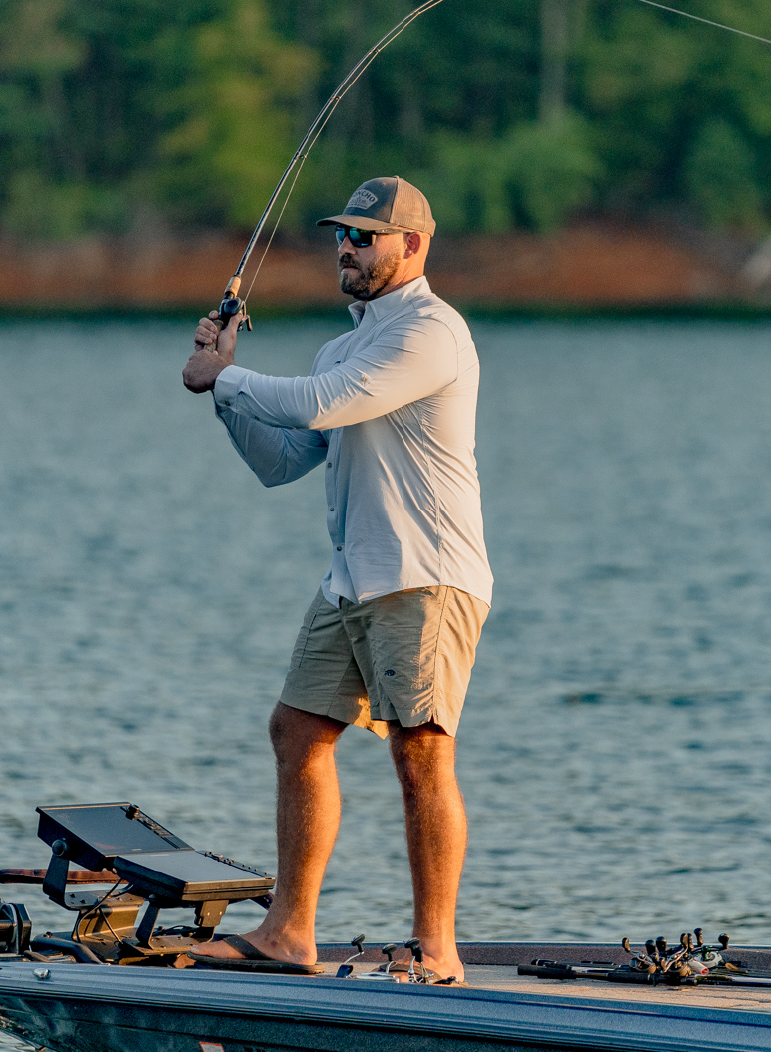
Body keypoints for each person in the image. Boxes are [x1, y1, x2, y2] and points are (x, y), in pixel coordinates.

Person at [181, 176, 491, 984]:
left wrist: (228, 378)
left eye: (364, 236)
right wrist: (225, 391)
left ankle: (437, 950)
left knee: (421, 752)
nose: (346, 249)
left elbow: (322, 406)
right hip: (354, 578)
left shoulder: (431, 333)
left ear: (412, 246)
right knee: (297, 731)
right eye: (341, 236)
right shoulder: (343, 344)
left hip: (424, 577)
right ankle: (288, 932)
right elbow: (282, 461)